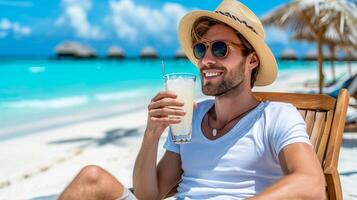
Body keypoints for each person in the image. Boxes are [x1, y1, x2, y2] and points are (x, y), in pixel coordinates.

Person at [59, 0, 326, 199]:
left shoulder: (276, 115)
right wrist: (152, 135)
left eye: (220, 49)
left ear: (251, 60)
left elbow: (312, 184)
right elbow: (151, 195)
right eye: (201, 49)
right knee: (90, 178)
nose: (206, 59)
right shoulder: (190, 116)